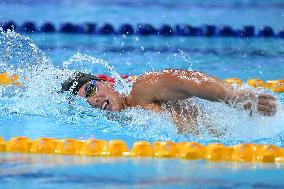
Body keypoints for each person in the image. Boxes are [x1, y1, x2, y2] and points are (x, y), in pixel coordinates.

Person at [61, 69, 277, 134]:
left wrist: (235, 98)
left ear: (106, 83)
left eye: (91, 89)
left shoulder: (141, 91)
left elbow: (189, 81)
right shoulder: (123, 126)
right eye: (86, 101)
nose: (95, 99)